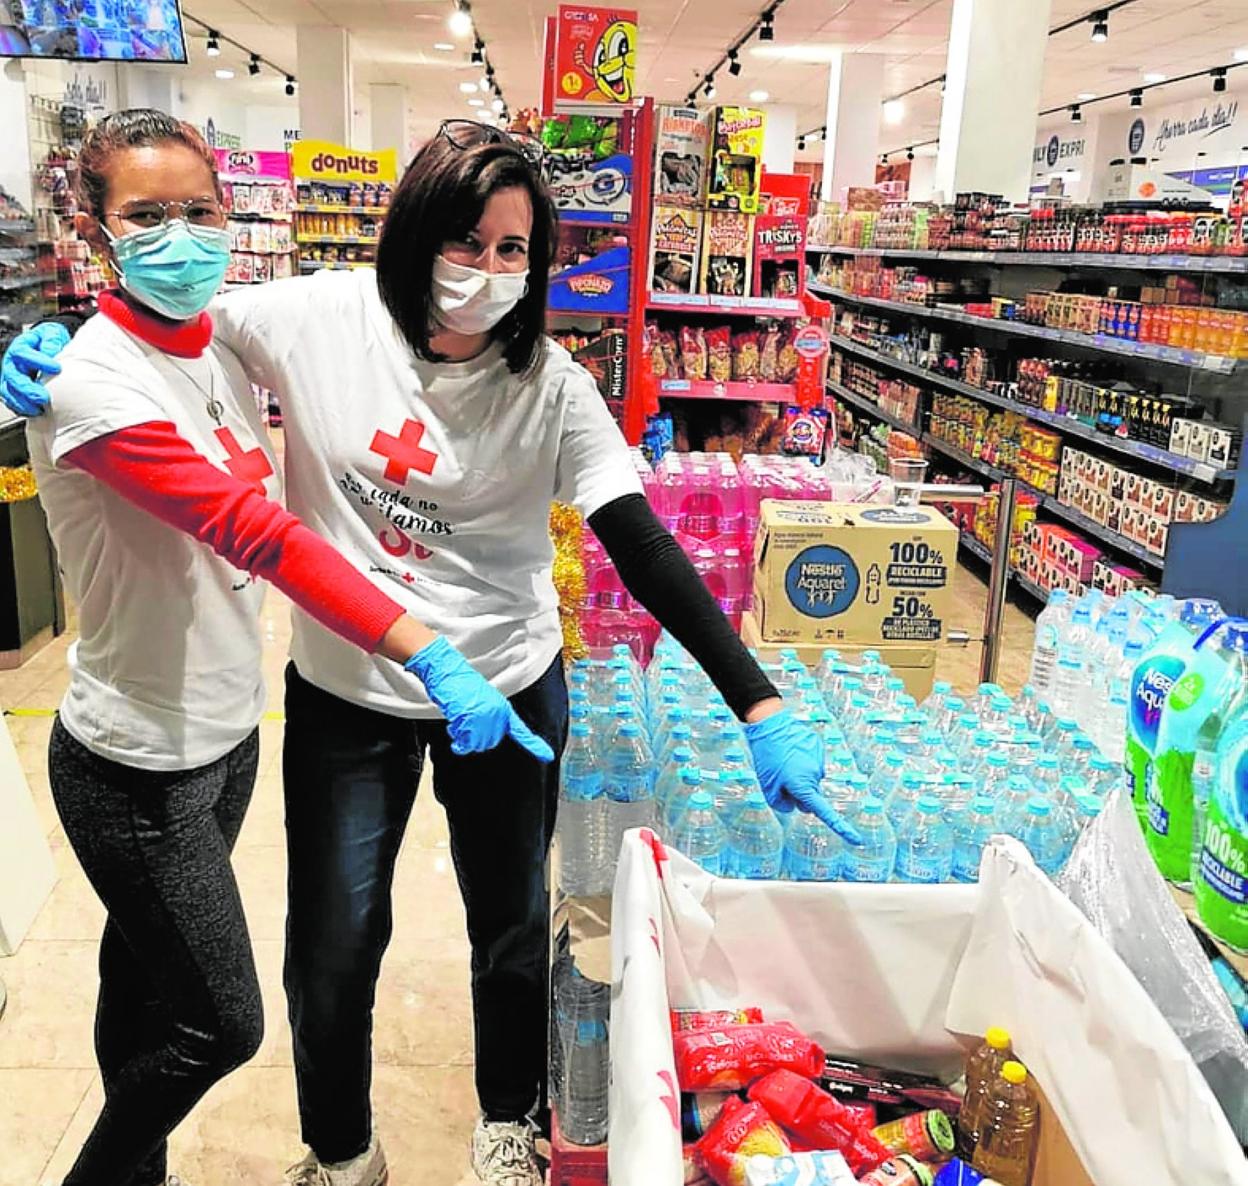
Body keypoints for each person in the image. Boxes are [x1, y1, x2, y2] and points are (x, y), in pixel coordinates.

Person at [2, 116, 857, 1186]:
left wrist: (760, 704)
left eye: (513, 252)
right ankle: (342, 1148)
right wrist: (50, 343)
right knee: (333, 943)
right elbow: (168, 320)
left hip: (503, 685)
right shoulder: (316, 317)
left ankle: (508, 1119)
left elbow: (639, 544)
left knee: (510, 923)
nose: (488, 274)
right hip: (346, 691)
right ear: (412, 237)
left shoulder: (549, 384)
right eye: (465, 243)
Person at [10, 109, 554, 1186]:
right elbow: (252, 530)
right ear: (94, 228)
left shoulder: (208, 346)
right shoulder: (88, 381)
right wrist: (428, 650)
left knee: (144, 981)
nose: (184, 235)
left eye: (201, 210)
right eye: (147, 215)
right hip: (135, 760)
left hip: (221, 735)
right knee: (220, 1024)